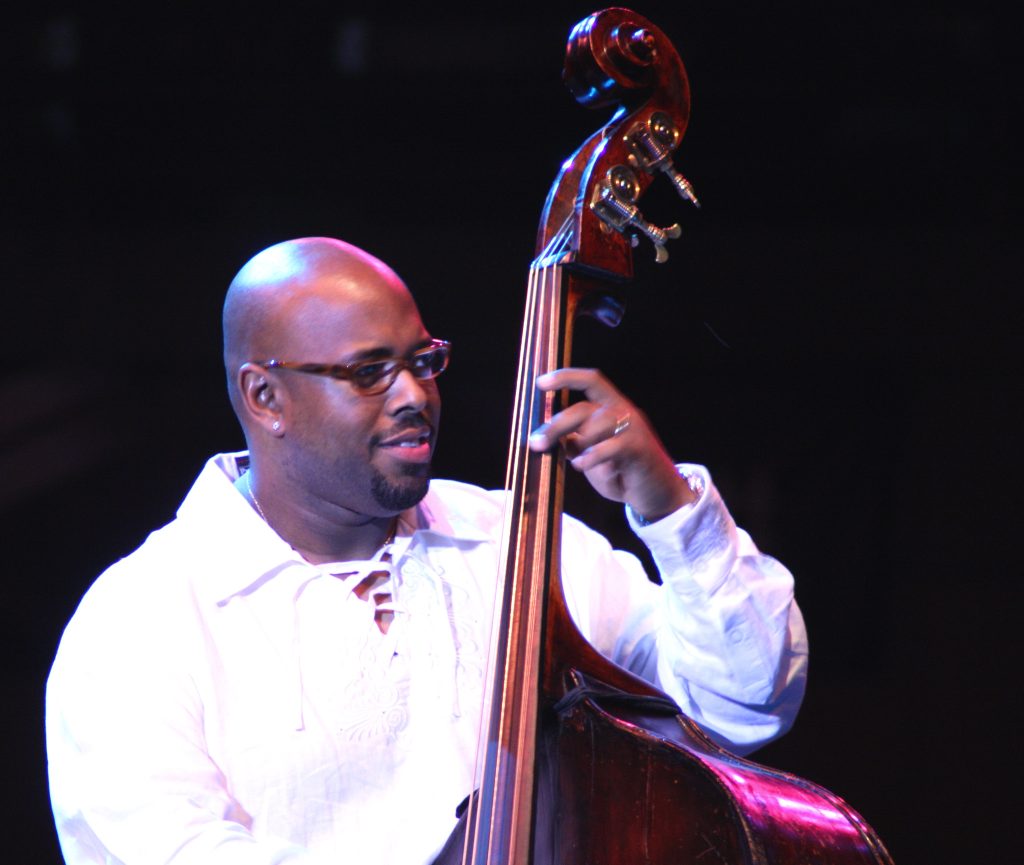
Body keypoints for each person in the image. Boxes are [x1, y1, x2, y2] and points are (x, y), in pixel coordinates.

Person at [46, 237, 808, 865]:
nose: (413, 394)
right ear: (264, 398)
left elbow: (741, 705)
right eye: (370, 372)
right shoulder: (142, 618)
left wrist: (669, 505)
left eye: (423, 360)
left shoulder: (519, 544)